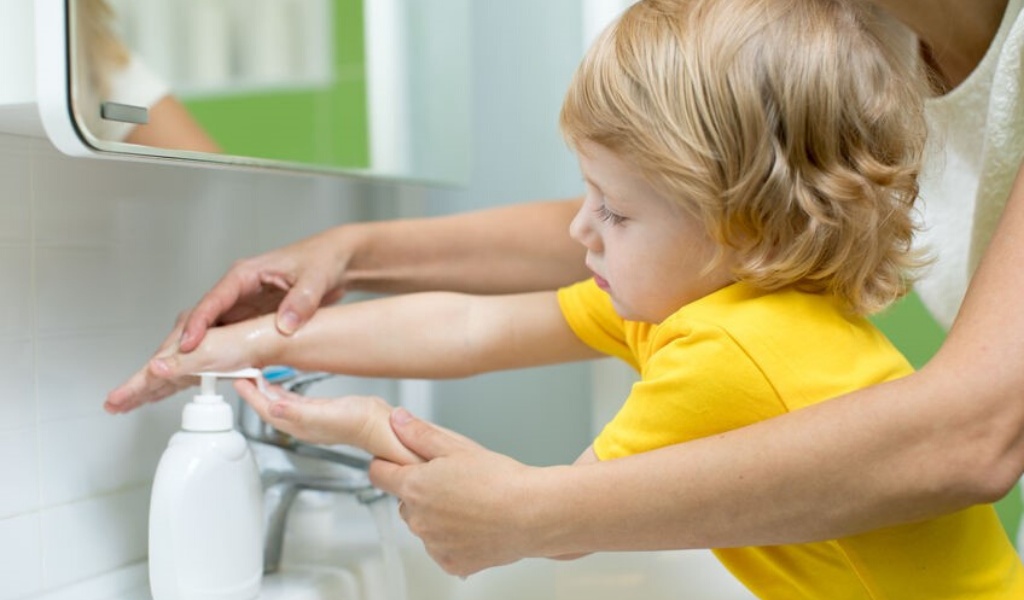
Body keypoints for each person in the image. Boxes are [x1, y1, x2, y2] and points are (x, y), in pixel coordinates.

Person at [108, 0, 1024, 596]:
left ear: (738, 226)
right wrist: (265, 337)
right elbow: (468, 327)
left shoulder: (727, 357)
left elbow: (550, 514)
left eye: (612, 211)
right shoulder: (728, 293)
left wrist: (339, 425)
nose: (581, 232)